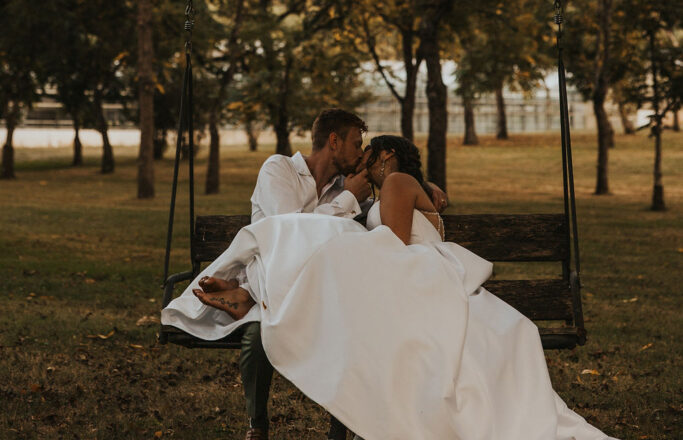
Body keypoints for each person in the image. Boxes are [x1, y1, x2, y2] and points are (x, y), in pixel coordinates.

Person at [165, 132, 619, 440]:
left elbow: (395, 242)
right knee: (323, 245)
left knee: (325, 245)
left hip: (414, 269)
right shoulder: (394, 187)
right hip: (405, 267)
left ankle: (254, 295)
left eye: (366, 161)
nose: (359, 172)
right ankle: (255, 294)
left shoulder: (398, 182)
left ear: (383, 158)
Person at [194, 107, 374, 440]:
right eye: (356, 144)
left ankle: (245, 295)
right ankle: (257, 427)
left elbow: (384, 207)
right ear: (334, 141)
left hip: (319, 291)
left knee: (351, 327)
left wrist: (420, 186)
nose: (361, 153)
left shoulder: (346, 188)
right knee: (259, 332)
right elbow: (290, 232)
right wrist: (348, 199)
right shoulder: (279, 169)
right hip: (279, 273)